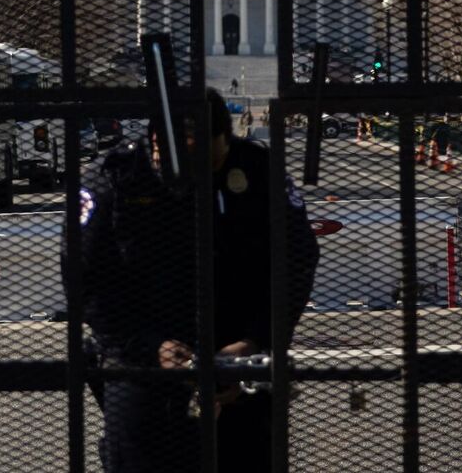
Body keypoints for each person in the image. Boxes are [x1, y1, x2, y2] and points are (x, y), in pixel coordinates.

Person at [73, 88, 319, 472]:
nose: (205, 172)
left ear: (226, 138)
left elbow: (297, 259)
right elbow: (86, 277)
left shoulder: (257, 170)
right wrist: (148, 347)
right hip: (143, 368)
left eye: (214, 158)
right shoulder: (118, 182)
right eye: (189, 159)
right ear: (158, 144)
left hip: (239, 361)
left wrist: (257, 339)